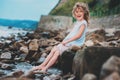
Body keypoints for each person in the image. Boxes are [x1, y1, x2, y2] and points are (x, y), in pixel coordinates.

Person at [31, 2, 90, 73]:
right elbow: (72, 34)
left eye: (81, 11)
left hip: (75, 44)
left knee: (57, 53)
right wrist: (65, 41)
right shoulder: (78, 22)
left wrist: (67, 41)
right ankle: (42, 65)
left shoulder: (83, 23)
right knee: (54, 49)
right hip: (70, 42)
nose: (78, 13)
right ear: (74, 13)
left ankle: (46, 68)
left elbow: (78, 36)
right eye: (76, 11)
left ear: (85, 13)